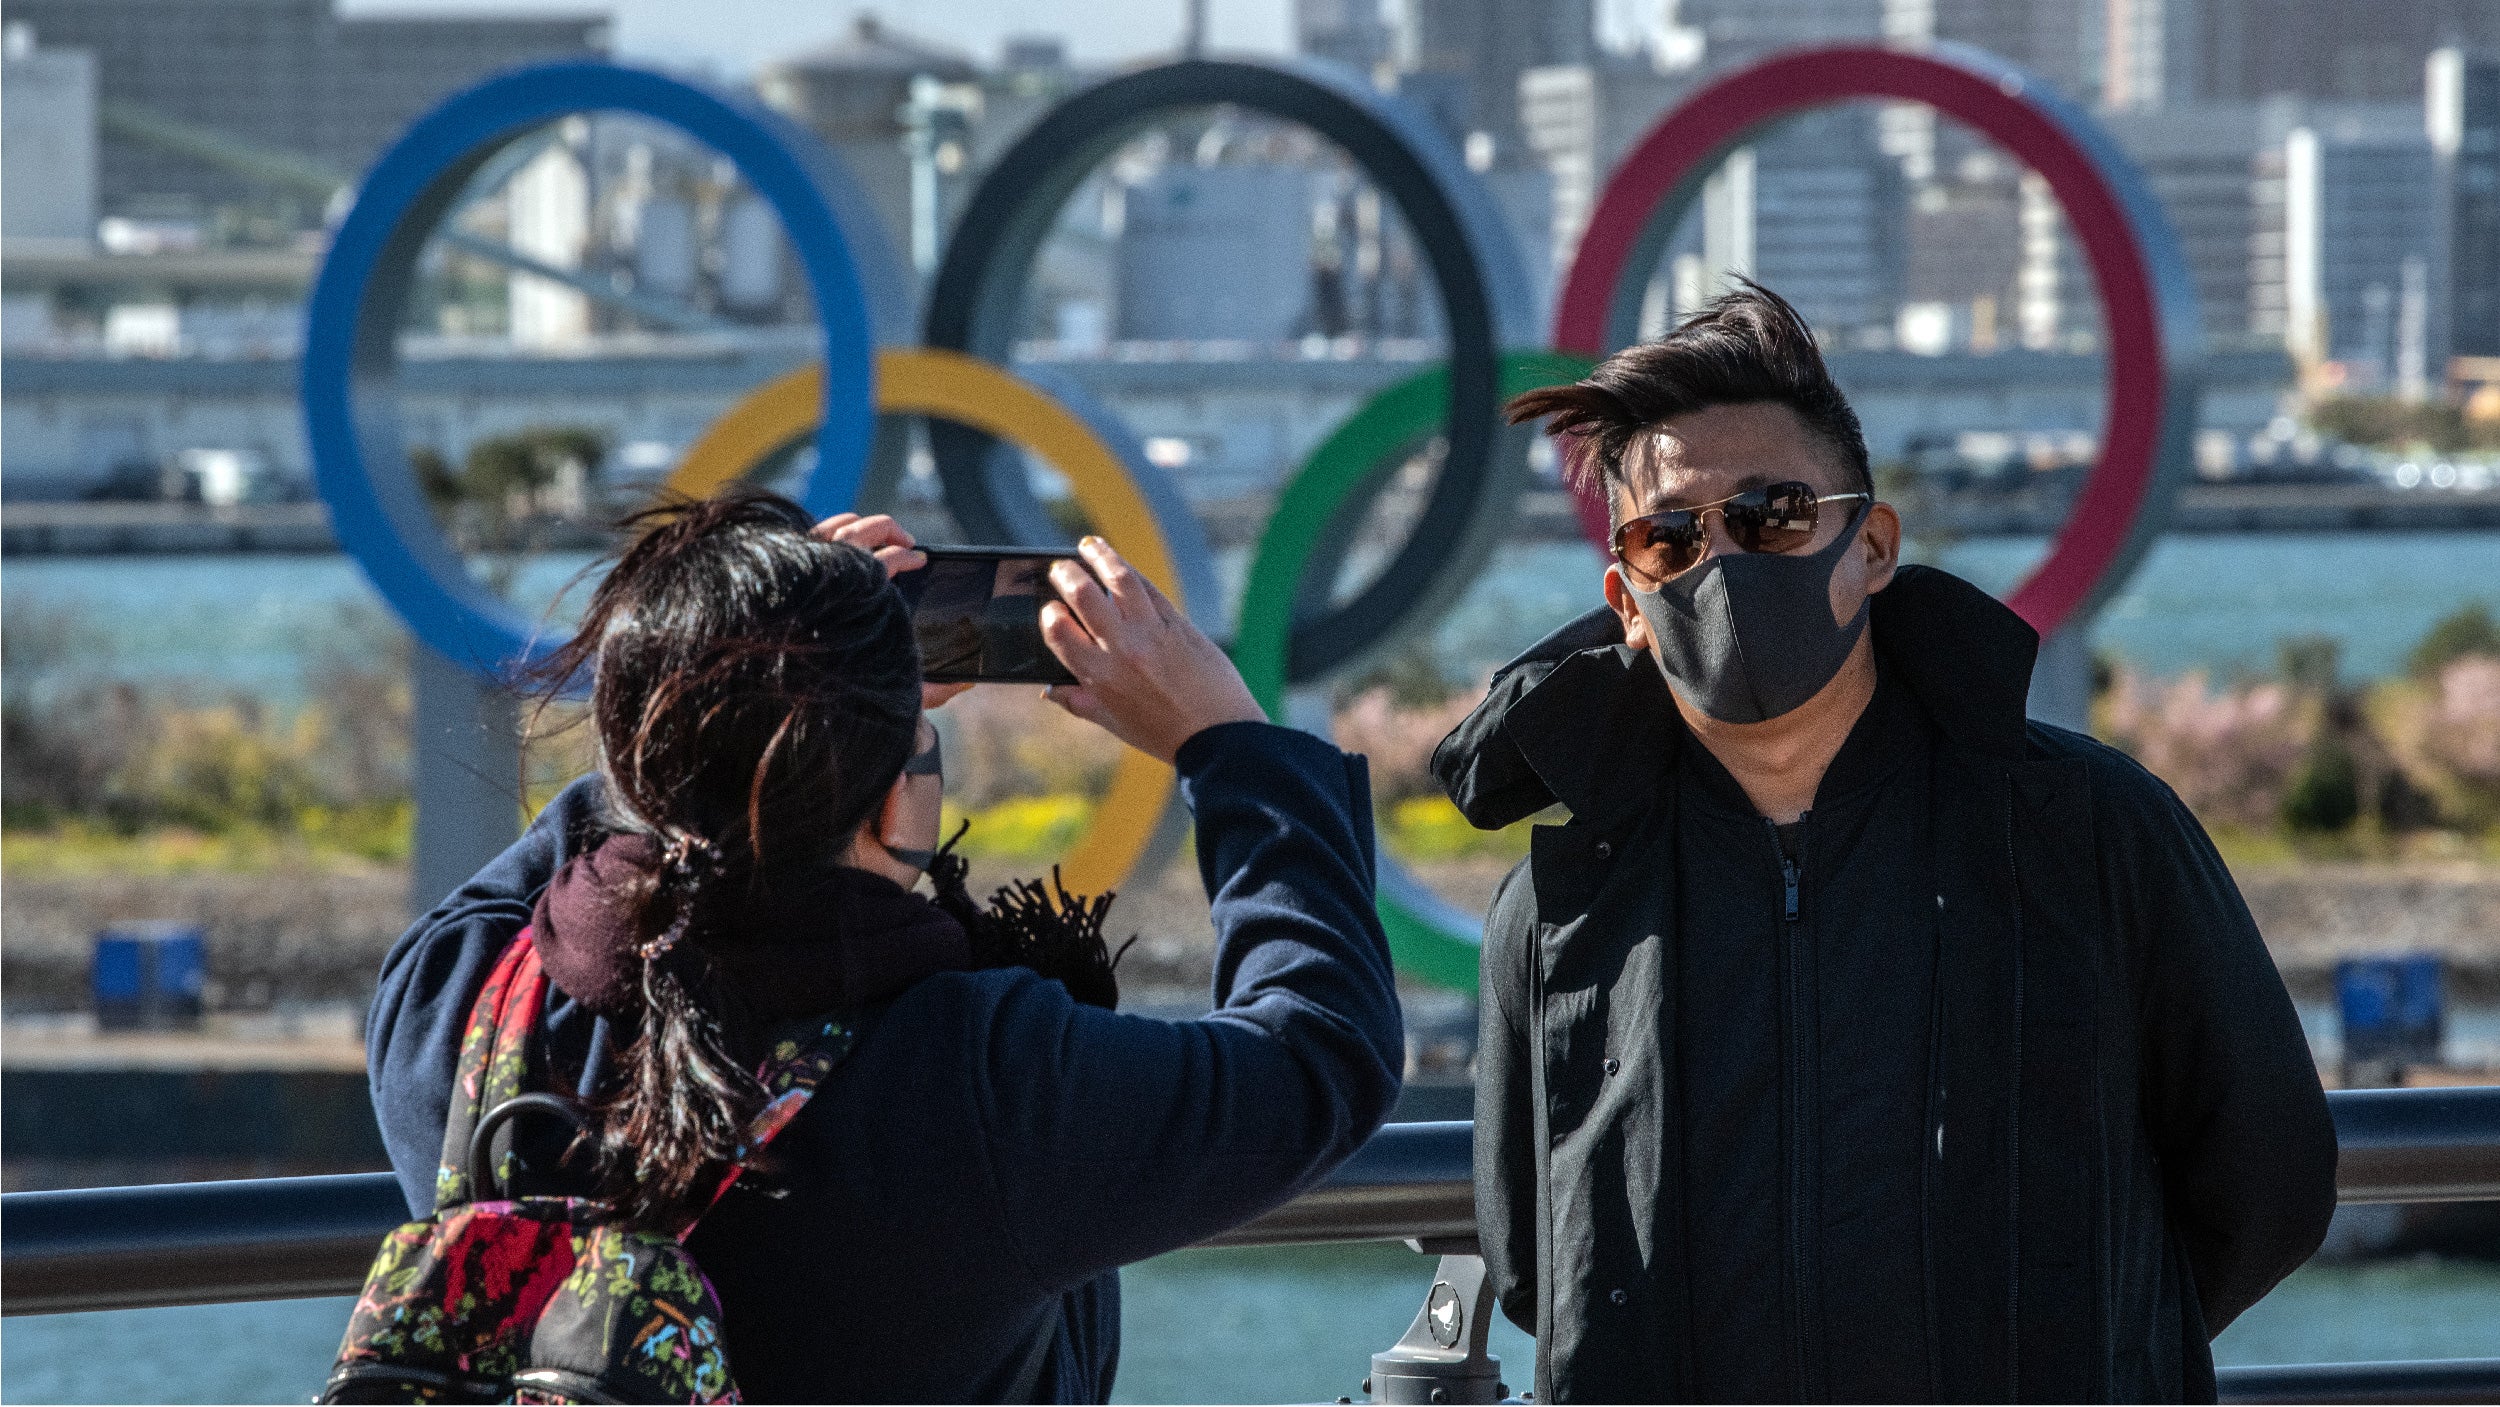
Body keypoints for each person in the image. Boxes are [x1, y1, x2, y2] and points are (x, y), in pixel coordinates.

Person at [1434, 281, 2337, 1403]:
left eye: (1772, 515)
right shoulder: (1562, 907)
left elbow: (2271, 1181)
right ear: (1626, 601)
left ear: (1870, 546)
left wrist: (2084, 1346)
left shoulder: (2090, 833)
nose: (1724, 563)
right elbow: (1535, 1264)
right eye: (1671, 538)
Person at [366, 490, 1404, 1403]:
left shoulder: (457, 1007)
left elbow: (618, 821)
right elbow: (1318, 1058)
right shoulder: (984, 1085)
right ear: (890, 805)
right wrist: (1230, 742)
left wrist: (740, 669)